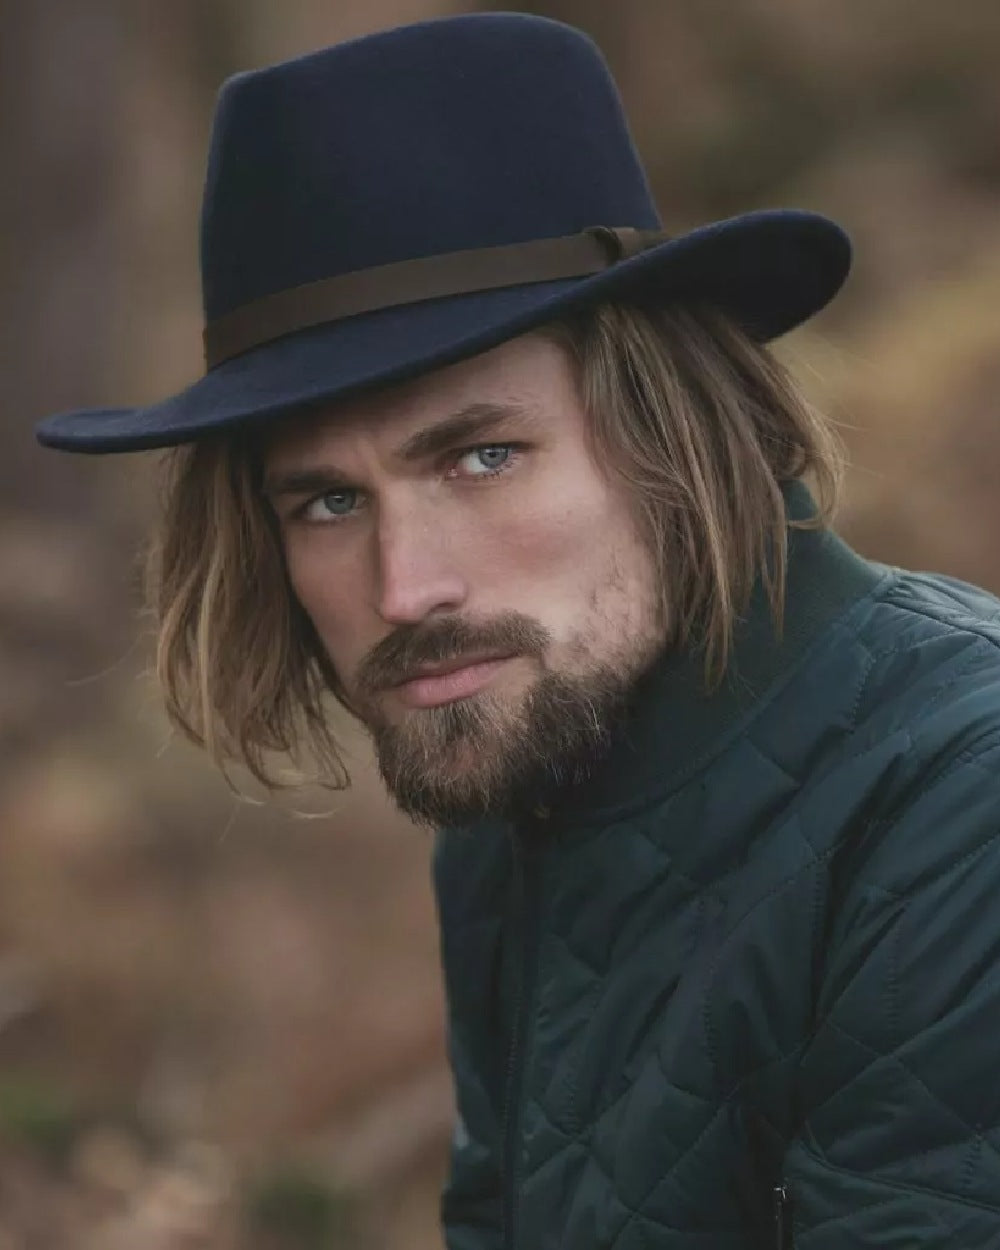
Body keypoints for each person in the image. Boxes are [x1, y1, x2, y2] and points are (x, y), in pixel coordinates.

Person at [36, 13, 1000, 1248]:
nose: (404, 590)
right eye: (330, 500)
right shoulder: (520, 783)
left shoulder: (957, 800)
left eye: (484, 455)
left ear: (671, 428)